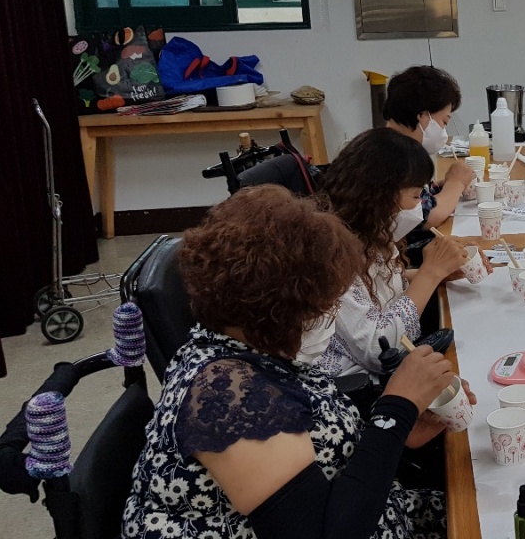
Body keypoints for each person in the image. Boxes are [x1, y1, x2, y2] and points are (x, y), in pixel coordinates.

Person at [122, 185, 475, 539]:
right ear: (280, 309)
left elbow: (319, 441)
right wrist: (397, 408)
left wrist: (404, 428)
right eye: (324, 305)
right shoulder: (227, 395)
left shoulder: (252, 348)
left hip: (367, 507)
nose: (331, 314)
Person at [298, 128, 474, 376]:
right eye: (415, 196)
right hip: (350, 382)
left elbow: (379, 287)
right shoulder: (329, 253)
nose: (418, 206)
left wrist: (438, 271)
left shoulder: (368, 230)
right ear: (381, 195)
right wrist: (430, 273)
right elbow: (378, 350)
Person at [384, 65, 473, 230]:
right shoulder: (395, 156)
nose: (444, 130)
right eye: (444, 122)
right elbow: (425, 218)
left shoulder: (385, 143)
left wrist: (443, 185)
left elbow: (416, 197)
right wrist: (456, 184)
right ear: (422, 116)